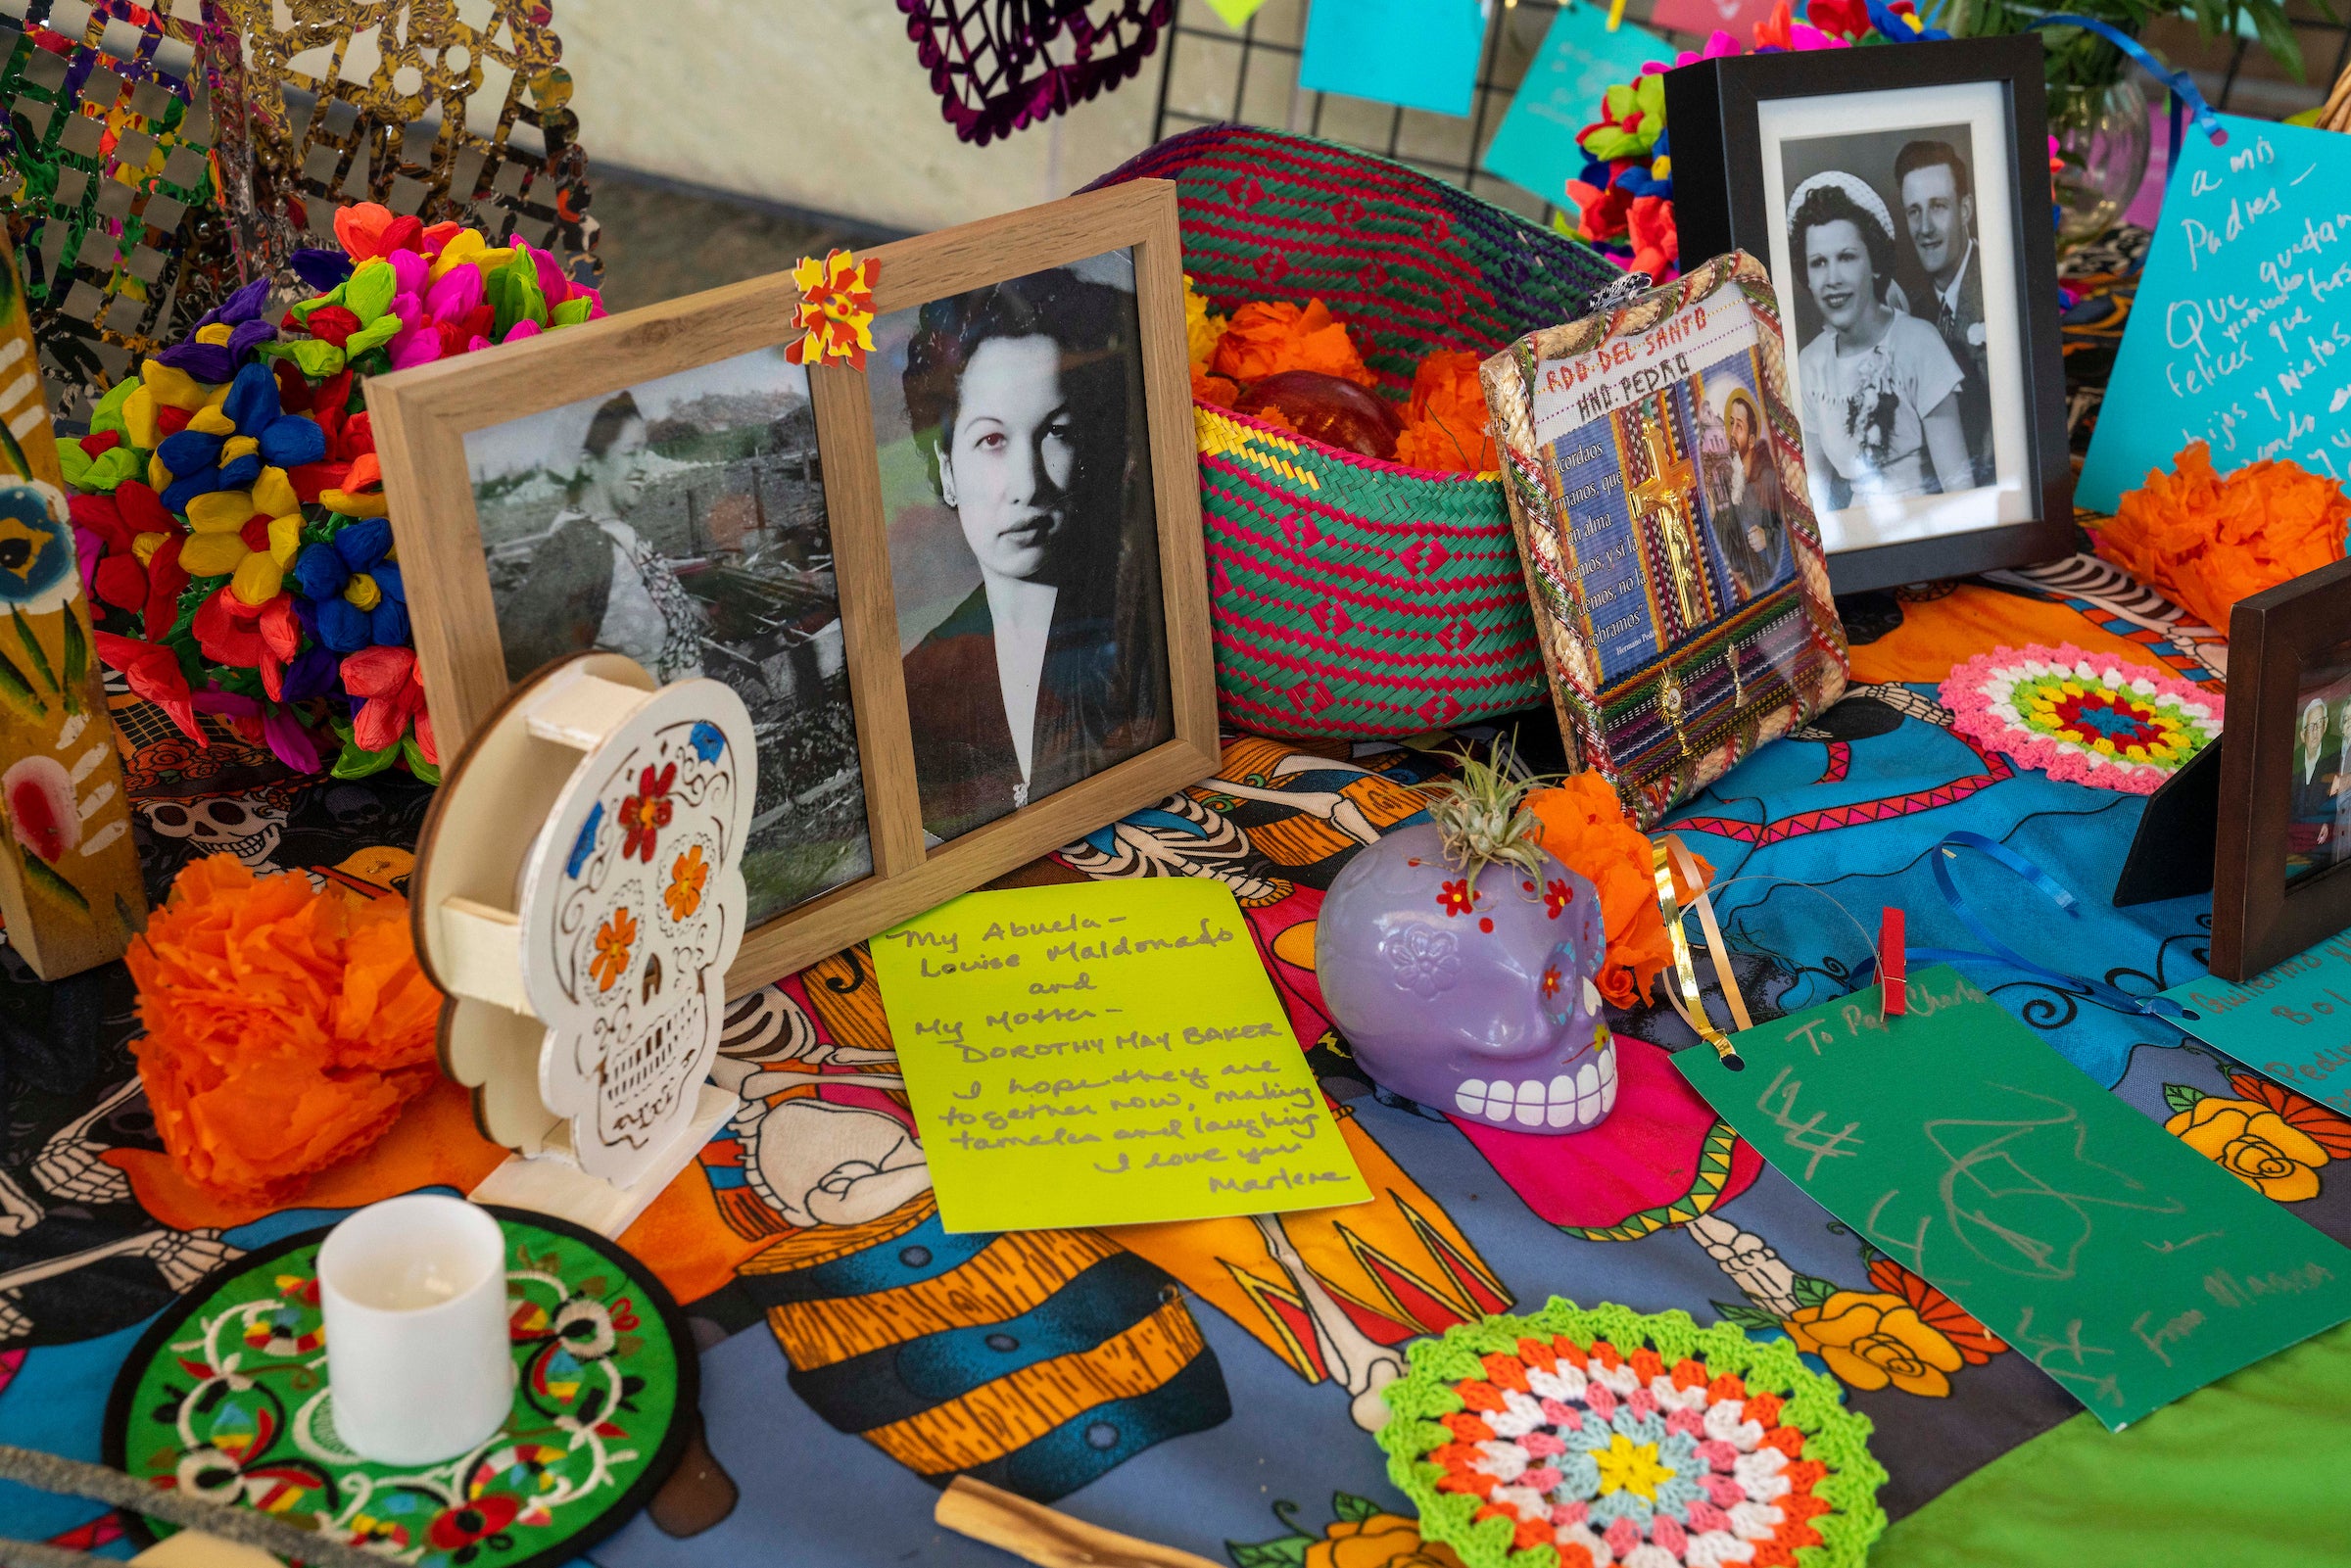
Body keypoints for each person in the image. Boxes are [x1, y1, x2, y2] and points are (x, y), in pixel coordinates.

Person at [897, 268, 1170, 842]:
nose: (1027, 484)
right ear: (948, 471)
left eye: (1057, 433)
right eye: (992, 439)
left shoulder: (1145, 647)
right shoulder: (921, 682)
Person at [1788, 172, 1975, 509]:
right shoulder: (1811, 364)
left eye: (1847, 257)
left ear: (1874, 263)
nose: (1832, 279)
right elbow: (1813, 494)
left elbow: (1960, 488)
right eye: (1818, 263)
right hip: (1854, 530)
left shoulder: (1919, 343)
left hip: (1927, 526)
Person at [499, 392, 706, 683]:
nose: (644, 466)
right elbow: (524, 664)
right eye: (630, 453)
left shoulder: (610, 532)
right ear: (587, 463)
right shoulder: (580, 546)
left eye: (643, 452)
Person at [1895, 139, 1992, 486]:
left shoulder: (1999, 287)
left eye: (1938, 207)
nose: (1924, 228)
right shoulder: (1911, 311)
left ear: (1965, 210)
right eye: (1914, 211)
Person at [1703, 386, 1788, 601]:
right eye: (1730, 423)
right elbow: (1735, 559)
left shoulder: (1769, 478)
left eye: (1738, 426)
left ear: (1751, 440)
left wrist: (1768, 537)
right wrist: (1714, 516)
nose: (1731, 432)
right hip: (1756, 595)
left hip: (1780, 590)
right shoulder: (1735, 485)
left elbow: (1792, 532)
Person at [2290, 695, 2333, 872]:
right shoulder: (2293, 761)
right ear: (2302, 735)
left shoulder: (2335, 755)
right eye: (2310, 726)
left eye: (2320, 724)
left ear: (2325, 725)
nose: (2315, 731)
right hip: (2293, 838)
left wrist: (2328, 822)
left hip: (2321, 842)